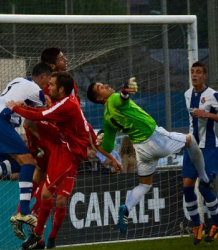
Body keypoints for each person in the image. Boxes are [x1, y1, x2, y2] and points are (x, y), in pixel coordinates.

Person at [86, 77, 209, 235]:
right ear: (99, 98)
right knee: (191, 141)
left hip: (141, 149)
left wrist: (98, 145)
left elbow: (107, 147)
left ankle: (127, 207)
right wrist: (126, 90)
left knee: (145, 185)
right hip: (155, 138)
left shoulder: (107, 118)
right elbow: (122, 99)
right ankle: (205, 179)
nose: (105, 84)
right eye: (100, 87)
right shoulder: (113, 99)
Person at [6, 71, 90, 250]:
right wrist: (27, 110)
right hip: (59, 150)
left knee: (49, 196)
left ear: (60, 89)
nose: (49, 88)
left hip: (69, 153)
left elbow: (41, 116)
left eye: (51, 85)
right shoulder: (64, 104)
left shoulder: (66, 105)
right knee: (51, 198)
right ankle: (42, 238)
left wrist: (15, 108)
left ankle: (39, 236)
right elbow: (38, 116)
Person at [0, 62, 53, 228]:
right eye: (49, 81)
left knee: (19, 164)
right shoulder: (36, 91)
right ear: (43, 76)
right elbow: (42, 119)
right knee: (30, 162)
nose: (49, 85)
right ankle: (24, 212)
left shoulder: (18, 80)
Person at [183, 61, 218, 244]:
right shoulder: (187, 94)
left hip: (210, 148)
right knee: (187, 187)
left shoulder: (213, 96)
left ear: (205, 76)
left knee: (204, 186)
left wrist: (208, 115)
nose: (194, 75)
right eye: (192, 72)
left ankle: (217, 223)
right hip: (192, 147)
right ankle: (197, 225)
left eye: (198, 72)